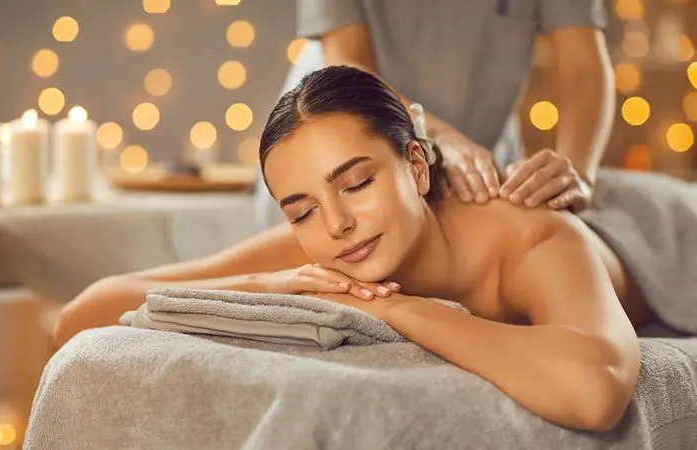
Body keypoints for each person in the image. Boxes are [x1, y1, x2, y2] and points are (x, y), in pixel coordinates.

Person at [56, 66, 652, 431]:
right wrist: (260, 286)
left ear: (416, 168)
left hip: (655, 235)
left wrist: (399, 311)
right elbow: (81, 315)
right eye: (303, 209)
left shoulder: (532, 235)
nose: (336, 223)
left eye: (358, 182)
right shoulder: (320, 246)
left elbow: (594, 389)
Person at [255, 0, 616, 229]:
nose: (337, 226)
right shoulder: (334, 209)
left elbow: (584, 66)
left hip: (482, 157)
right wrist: (434, 134)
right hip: (337, 131)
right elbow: (348, 58)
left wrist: (580, 173)